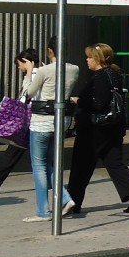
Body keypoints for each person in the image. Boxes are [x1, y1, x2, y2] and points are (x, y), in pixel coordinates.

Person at [65, 43, 129, 215]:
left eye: (89, 57)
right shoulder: (115, 74)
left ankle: (73, 202)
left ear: (98, 59)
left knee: (81, 165)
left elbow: (98, 103)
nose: (87, 60)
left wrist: (78, 100)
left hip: (94, 129)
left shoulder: (100, 77)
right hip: (113, 127)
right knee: (114, 163)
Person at [22, 37, 79, 222]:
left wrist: (29, 73)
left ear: (49, 51)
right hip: (61, 122)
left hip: (41, 121)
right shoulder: (74, 69)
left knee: (39, 165)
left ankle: (44, 211)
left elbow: (29, 93)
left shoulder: (44, 70)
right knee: (50, 164)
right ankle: (64, 198)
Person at [0, 53, 29, 193]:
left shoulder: (34, 75)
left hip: (27, 122)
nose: (18, 67)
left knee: (14, 153)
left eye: (19, 64)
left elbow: (28, 95)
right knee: (16, 152)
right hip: (28, 121)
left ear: (25, 61)